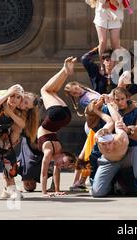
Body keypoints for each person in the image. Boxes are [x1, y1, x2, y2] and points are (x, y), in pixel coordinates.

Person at [90, 100, 137, 200]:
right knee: (97, 193)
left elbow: (118, 121)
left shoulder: (120, 137)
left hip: (126, 158)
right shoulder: (98, 136)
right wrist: (96, 111)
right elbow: (109, 121)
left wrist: (109, 105)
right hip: (108, 162)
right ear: (99, 141)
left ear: (113, 139)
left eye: (109, 143)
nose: (107, 147)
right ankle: (113, 185)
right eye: (103, 144)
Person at [37, 57, 78, 197]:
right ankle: (65, 70)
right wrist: (44, 192)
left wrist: (56, 190)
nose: (62, 166)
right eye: (65, 163)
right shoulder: (51, 151)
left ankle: (65, 71)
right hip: (55, 117)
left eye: (64, 166)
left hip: (64, 117)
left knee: (51, 91)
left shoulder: (54, 152)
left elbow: (50, 171)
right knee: (44, 90)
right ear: (64, 154)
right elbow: (44, 172)